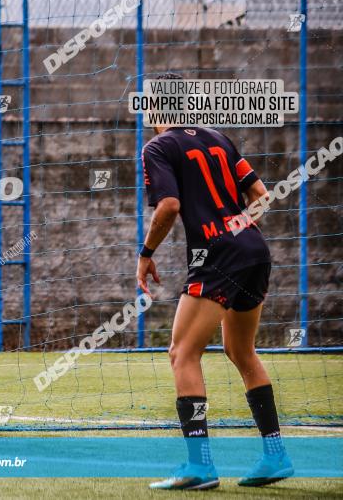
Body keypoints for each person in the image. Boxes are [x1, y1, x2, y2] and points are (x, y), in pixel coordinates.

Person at [136, 74, 293, 490]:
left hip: (217, 258)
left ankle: (200, 466)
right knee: (240, 350)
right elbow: (261, 194)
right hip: (255, 252)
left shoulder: (157, 147)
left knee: (182, 353)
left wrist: (146, 253)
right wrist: (237, 226)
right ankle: (275, 455)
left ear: (154, 107)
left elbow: (168, 205)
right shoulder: (218, 138)